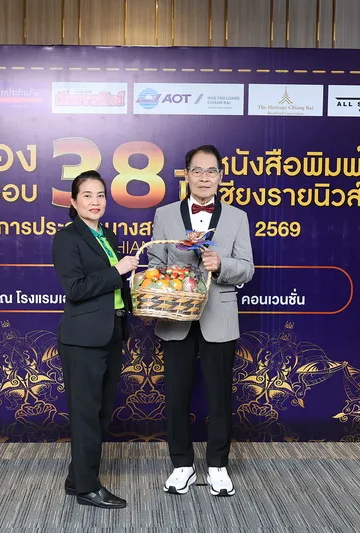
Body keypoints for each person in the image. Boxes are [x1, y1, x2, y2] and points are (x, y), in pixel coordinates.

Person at [148, 145, 254, 497]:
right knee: (176, 394)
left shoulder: (237, 217)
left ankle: (218, 466)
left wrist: (221, 264)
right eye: (197, 171)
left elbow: (247, 268)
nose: (204, 178)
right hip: (175, 316)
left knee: (219, 396)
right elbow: (155, 264)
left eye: (211, 171)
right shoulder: (165, 214)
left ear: (221, 176)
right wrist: (172, 279)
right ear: (187, 175)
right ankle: (182, 464)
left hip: (218, 316)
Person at [51, 170, 139, 509]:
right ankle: (88, 489)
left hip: (111, 332)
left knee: (100, 414)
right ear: (74, 202)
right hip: (83, 339)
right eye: (87, 195)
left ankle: (77, 478)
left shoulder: (107, 235)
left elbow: (113, 286)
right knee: (86, 414)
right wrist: (117, 271)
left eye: (100, 194)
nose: (95, 201)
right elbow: (75, 289)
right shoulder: (67, 238)